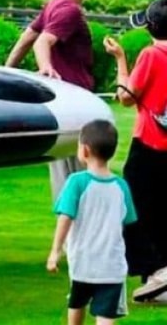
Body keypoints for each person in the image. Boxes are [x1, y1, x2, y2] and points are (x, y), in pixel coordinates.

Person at [5, 0, 100, 200]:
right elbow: (41, 41)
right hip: (76, 106)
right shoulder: (69, 11)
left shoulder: (54, 4)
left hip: (63, 108)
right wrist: (46, 67)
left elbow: (28, 37)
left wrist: (6, 71)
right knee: (84, 185)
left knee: (66, 184)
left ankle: (68, 226)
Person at [104, 0, 167, 303]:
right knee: (162, 210)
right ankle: (156, 280)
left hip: (149, 143)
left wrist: (120, 60)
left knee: (133, 208)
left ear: (151, 27)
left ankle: (156, 268)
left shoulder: (152, 55)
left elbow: (126, 97)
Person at [46, 120, 137, 325]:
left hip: (83, 262)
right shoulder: (121, 186)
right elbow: (128, 221)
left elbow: (65, 217)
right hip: (112, 265)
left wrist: (55, 250)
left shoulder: (76, 182)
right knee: (106, 315)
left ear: (85, 150)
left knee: (77, 303)